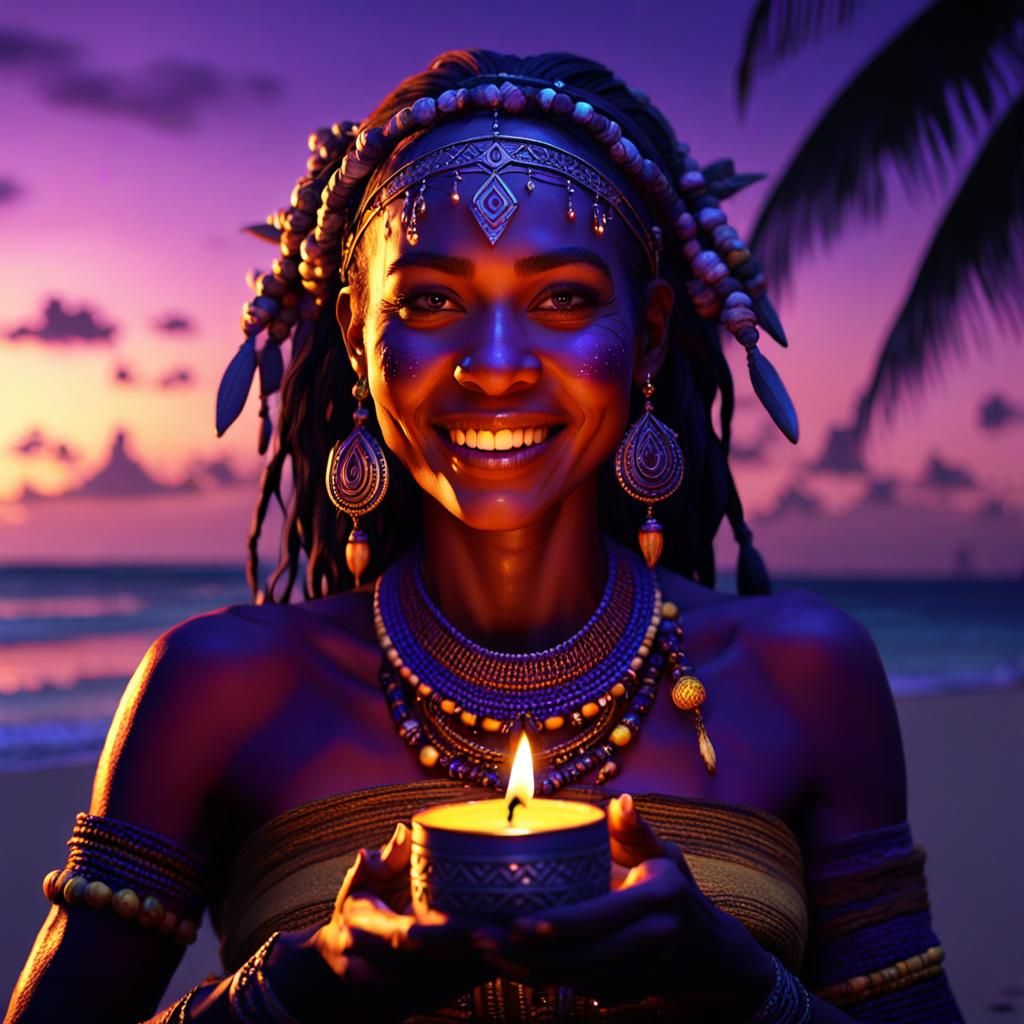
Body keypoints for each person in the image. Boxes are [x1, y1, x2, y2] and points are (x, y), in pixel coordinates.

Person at [5, 50, 963, 1024]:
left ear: (646, 332)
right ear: (354, 337)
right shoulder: (214, 687)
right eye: (429, 300)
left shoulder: (807, 674)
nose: (496, 365)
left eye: (561, 297)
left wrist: (735, 984)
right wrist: (301, 988)